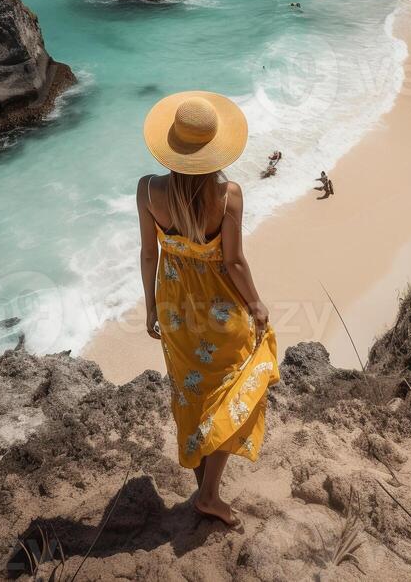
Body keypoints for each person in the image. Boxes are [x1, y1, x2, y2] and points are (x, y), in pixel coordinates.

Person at [138, 93, 279, 527]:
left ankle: (204, 485)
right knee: (235, 386)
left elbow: (148, 255)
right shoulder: (228, 195)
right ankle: (210, 495)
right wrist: (257, 306)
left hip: (176, 308)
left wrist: (150, 309)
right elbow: (234, 262)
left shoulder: (147, 189)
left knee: (193, 393)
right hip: (221, 310)